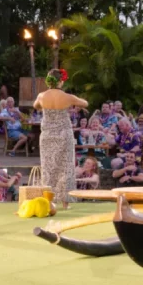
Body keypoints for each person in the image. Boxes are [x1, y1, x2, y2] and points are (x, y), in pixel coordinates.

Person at [33, 68, 87, 210]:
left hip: (47, 135)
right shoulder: (67, 97)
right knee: (65, 167)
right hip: (64, 134)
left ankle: (49, 202)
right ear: (61, 81)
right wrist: (74, 103)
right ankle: (65, 202)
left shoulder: (41, 96)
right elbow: (85, 103)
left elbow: (36, 106)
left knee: (49, 167)